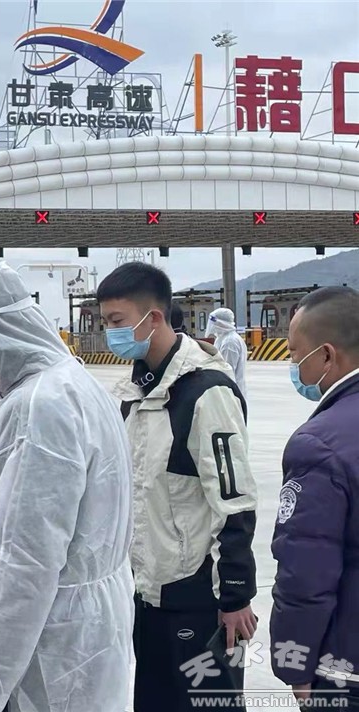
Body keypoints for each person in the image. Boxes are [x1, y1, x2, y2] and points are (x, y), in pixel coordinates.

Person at [0, 256, 134, 712]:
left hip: (49, 643)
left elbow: (24, 564)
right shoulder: (77, 385)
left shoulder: (38, 408)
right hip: (86, 628)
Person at [97, 262, 257, 712]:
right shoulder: (132, 394)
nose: (110, 333)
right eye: (105, 322)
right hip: (146, 595)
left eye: (116, 321)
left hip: (198, 598)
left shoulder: (206, 392)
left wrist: (236, 595)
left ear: (154, 317)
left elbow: (235, 500)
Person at [271, 286, 359, 710]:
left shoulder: (320, 445)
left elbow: (305, 573)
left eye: (294, 353)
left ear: (326, 355)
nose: (293, 365)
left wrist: (296, 664)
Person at [206, 307, 248, 398]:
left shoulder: (229, 342)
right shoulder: (223, 338)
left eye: (214, 323)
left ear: (221, 323)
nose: (213, 326)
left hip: (231, 393)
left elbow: (227, 371)